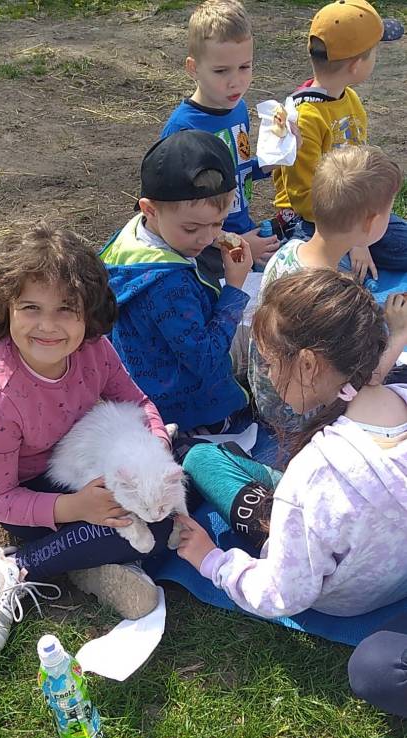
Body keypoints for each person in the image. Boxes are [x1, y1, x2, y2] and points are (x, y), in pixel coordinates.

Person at [0, 222, 176, 655]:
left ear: (88, 312)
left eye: (66, 309)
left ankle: (88, 564)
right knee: (147, 526)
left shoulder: (93, 349)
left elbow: (136, 401)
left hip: (84, 461)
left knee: (164, 505)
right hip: (33, 490)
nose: (48, 326)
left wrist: (155, 448)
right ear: (4, 308)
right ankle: (10, 567)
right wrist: (76, 507)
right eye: (31, 308)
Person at [174, 268, 407, 619]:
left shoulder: (314, 474)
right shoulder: (399, 397)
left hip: (341, 598)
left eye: (269, 363)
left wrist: (212, 560)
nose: (267, 375)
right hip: (393, 580)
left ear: (308, 364)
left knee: (200, 457)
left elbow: (280, 595)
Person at [101, 129, 253, 433]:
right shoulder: (169, 285)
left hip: (136, 382)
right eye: (192, 228)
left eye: (218, 223)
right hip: (183, 408)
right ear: (150, 210)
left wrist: (203, 232)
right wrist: (235, 289)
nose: (207, 237)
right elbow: (206, 358)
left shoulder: (131, 237)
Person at [247, 144, 405, 430]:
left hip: (268, 394)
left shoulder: (289, 250)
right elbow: (369, 378)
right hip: (299, 415)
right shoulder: (332, 300)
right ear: (371, 223)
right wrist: (399, 332)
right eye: (389, 211)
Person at [273, 0, 407, 278]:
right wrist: (356, 238)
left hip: (354, 211)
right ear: (356, 65)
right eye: (374, 52)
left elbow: (359, 167)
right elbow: (304, 199)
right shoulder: (304, 117)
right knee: (338, 282)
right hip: (314, 222)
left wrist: (361, 231)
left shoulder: (350, 98)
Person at [160, 0, 281, 267]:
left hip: (242, 230)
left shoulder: (239, 109)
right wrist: (234, 242)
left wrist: (275, 160)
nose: (235, 81)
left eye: (244, 67)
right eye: (221, 71)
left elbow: (238, 171)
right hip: (203, 250)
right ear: (193, 68)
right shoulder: (184, 130)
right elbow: (175, 211)